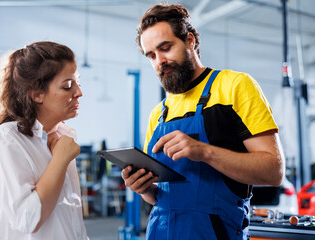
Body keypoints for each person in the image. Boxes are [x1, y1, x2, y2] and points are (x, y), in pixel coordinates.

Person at [121, 3, 285, 240]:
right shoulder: (158, 113)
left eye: (165, 48)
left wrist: (205, 152)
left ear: (190, 41)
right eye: (151, 55)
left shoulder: (235, 86)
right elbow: (160, 195)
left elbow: (274, 171)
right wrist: (144, 188)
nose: (159, 61)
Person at [0, 41, 88, 239]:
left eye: (78, 82)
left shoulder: (64, 138)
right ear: (37, 94)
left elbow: (71, 220)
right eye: (67, 86)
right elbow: (27, 219)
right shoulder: (7, 140)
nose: (79, 93)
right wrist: (59, 160)